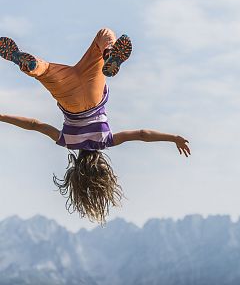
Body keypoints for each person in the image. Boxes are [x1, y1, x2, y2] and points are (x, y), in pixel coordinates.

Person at [0, 29, 191, 224]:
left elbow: (142, 134)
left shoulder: (106, 140)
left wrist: (173, 138)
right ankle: (30, 66)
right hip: (67, 96)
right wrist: (2, 116)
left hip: (93, 90)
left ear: (101, 165)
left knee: (104, 35)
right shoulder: (67, 141)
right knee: (45, 71)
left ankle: (108, 53)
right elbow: (35, 125)